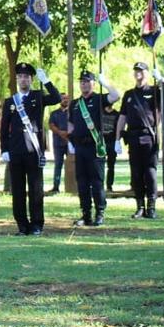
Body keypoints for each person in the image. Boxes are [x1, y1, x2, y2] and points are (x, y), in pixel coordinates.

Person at [0, 63, 62, 236]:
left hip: (34, 151)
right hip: (16, 151)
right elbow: (4, 128)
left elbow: (57, 98)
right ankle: (22, 225)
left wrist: (47, 81)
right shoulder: (10, 102)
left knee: (36, 190)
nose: (23, 79)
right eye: (20, 76)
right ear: (17, 79)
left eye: (26, 76)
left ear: (32, 79)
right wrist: (5, 149)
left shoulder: (38, 96)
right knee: (17, 191)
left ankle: (36, 225)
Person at [67, 70, 120, 226]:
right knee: (82, 183)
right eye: (81, 81)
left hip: (95, 147)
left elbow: (115, 96)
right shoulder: (75, 104)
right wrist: (70, 140)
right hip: (80, 147)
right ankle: (86, 214)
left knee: (97, 182)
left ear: (93, 83)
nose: (83, 83)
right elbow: (70, 123)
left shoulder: (98, 99)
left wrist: (106, 83)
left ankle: (100, 213)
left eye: (87, 81)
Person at [115, 61, 164, 219]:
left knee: (150, 173)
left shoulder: (155, 91)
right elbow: (122, 117)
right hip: (133, 136)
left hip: (149, 136)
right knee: (136, 174)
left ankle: (151, 206)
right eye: (136, 70)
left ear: (147, 73)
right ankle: (140, 206)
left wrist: (162, 79)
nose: (138, 73)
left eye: (141, 70)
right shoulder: (129, 94)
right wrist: (117, 138)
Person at [47, 94, 72, 195]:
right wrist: (60, 133)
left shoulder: (72, 112)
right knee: (58, 165)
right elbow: (51, 125)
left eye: (67, 98)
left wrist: (68, 135)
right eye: (63, 98)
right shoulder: (54, 113)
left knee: (74, 165)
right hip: (58, 143)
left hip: (70, 143)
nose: (65, 100)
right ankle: (56, 187)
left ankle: (74, 186)